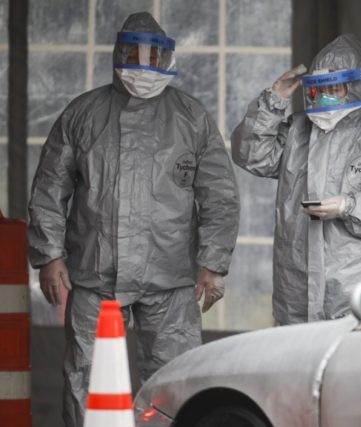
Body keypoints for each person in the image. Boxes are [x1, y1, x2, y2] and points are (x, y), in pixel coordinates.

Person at [27, 12, 240, 427]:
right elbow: (50, 189)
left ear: (167, 58)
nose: (143, 64)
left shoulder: (190, 117)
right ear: (117, 53)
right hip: (96, 275)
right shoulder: (83, 114)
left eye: (153, 54)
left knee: (177, 378)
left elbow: (219, 194)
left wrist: (213, 264)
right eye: (134, 52)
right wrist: (49, 256)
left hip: (170, 279)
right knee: (88, 377)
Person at [231, 34, 361, 325]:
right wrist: (274, 100)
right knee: (296, 367)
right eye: (319, 89)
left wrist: (349, 206)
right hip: (295, 292)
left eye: (336, 87)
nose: (326, 96)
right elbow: (250, 154)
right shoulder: (296, 133)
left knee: (357, 366)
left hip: (357, 292)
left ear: (356, 86)